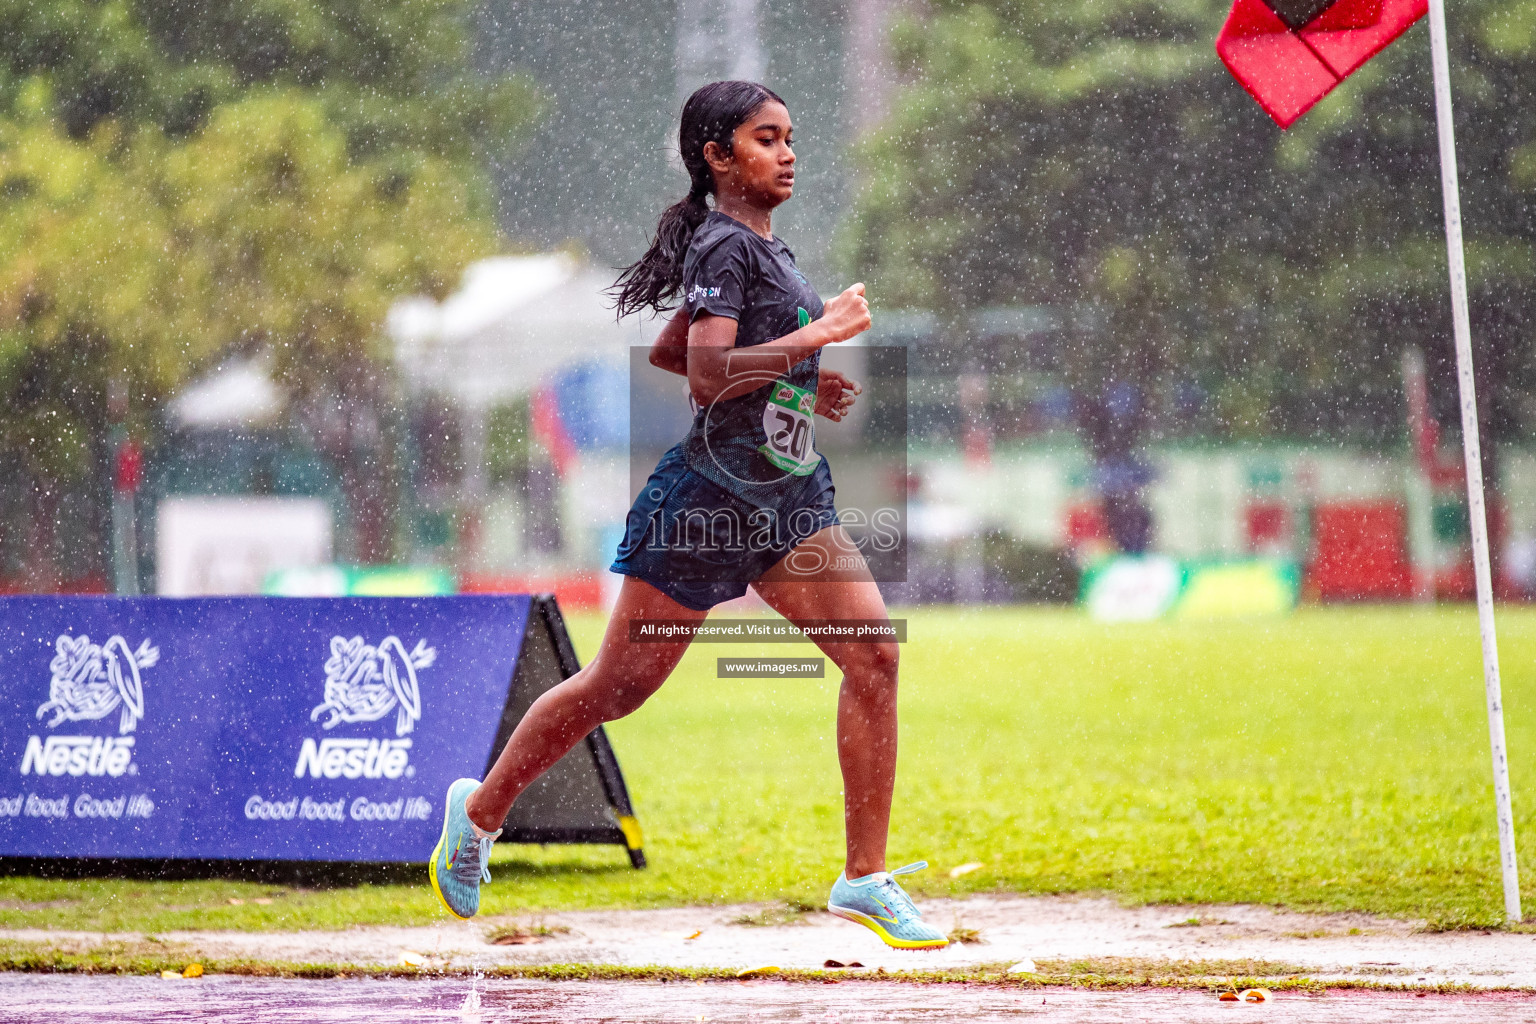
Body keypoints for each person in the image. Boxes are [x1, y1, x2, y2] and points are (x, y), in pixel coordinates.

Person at [429, 80, 947, 950]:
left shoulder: (764, 251)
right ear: (717, 157)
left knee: (875, 657)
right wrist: (817, 339)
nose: (787, 152)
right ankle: (477, 816)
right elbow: (705, 375)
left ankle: (863, 879)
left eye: (790, 137)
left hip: (786, 502)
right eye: (765, 138)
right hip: (705, 507)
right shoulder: (722, 245)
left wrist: (799, 385)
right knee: (616, 689)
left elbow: (678, 349)